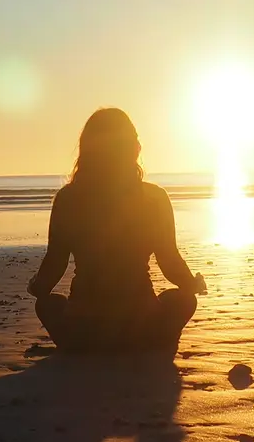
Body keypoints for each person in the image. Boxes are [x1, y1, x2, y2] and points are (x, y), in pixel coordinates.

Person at [28, 107, 207, 354]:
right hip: (141, 324)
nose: (139, 145)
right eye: (135, 139)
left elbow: (54, 264)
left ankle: (84, 349)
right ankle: (150, 344)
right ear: (132, 149)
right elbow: (170, 260)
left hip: (86, 326)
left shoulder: (68, 199)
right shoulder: (154, 198)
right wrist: (192, 284)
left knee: (47, 305)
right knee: (183, 300)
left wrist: (37, 287)